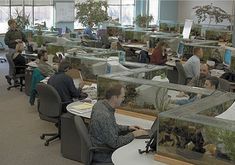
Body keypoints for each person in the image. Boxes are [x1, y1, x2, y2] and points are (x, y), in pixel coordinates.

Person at [89, 83, 148, 163]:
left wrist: (128, 128)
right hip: (104, 154)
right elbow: (115, 143)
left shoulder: (100, 104)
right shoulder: (104, 116)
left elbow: (111, 127)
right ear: (114, 98)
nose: (123, 99)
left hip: (102, 145)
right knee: (137, 157)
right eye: (122, 97)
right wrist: (134, 134)